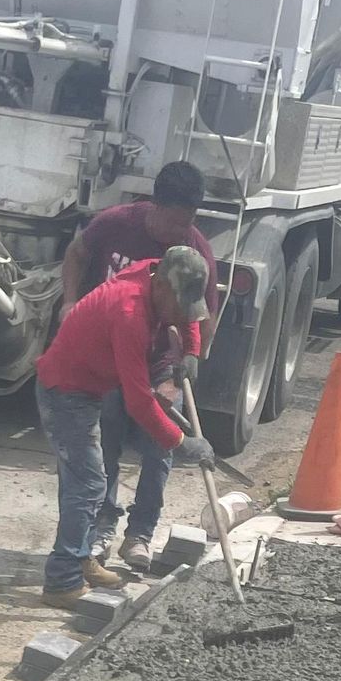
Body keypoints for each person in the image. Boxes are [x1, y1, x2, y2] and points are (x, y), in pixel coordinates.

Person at [60, 162, 218, 569]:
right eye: (175, 222)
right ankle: (102, 526)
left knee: (158, 447)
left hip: (160, 360)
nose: (181, 232)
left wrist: (187, 363)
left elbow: (199, 315)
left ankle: (141, 534)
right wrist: (69, 301)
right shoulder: (115, 225)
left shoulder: (193, 249)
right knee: (106, 442)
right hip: (110, 359)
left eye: (190, 222)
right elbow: (76, 254)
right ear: (155, 205)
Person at [33, 246, 212, 606]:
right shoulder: (129, 313)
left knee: (85, 483)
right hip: (65, 391)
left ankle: (80, 558)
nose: (180, 314)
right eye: (176, 306)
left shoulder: (156, 273)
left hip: (88, 386)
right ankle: (62, 581)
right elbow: (138, 401)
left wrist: (191, 350)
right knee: (87, 485)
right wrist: (180, 442)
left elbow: (185, 312)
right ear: (161, 288)